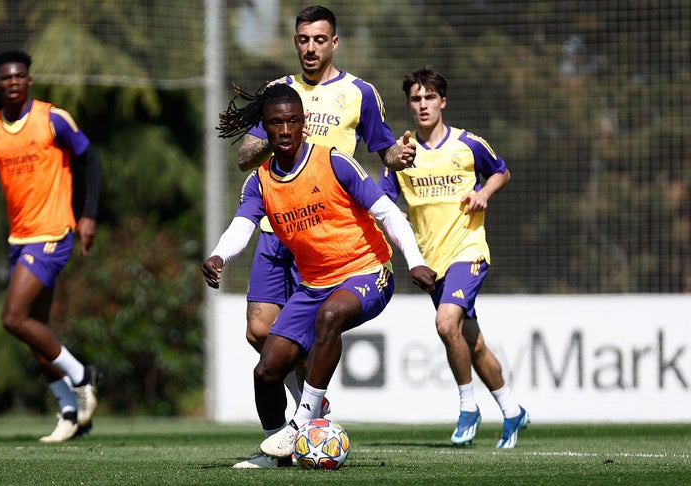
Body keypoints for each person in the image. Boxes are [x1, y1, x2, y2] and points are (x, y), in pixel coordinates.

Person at [207, 83, 436, 468]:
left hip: (367, 270)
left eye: (292, 122)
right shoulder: (260, 181)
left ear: (304, 124)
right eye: (275, 123)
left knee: (330, 316)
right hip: (314, 284)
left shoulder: (333, 162)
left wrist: (413, 259)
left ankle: (302, 422)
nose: (284, 130)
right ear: (264, 127)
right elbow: (242, 226)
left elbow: (387, 212)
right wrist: (218, 255)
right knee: (266, 371)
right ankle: (274, 453)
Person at [228, 5, 415, 421]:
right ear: (295, 42)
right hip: (277, 225)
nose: (310, 48)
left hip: (326, 228)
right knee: (258, 331)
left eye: (319, 39)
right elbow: (244, 156)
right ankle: (311, 402)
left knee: (313, 326)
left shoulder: (359, 93)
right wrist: (282, 134)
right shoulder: (279, 91)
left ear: (334, 42)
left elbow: (383, 147)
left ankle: (307, 413)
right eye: (303, 39)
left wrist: (398, 156)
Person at [0, 50, 101, 443]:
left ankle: (82, 376)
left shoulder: (52, 118)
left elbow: (92, 159)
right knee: (36, 331)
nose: (13, 82)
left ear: (29, 81)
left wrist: (89, 215)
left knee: (13, 318)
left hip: (52, 233)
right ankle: (70, 412)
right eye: (6, 78)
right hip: (19, 238)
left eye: (20, 76)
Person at [378, 66, 529, 449]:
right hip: (432, 263)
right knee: (472, 343)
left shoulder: (468, 144)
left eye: (430, 97)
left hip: (469, 251)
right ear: (410, 105)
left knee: (446, 324)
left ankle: (467, 407)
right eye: (416, 98)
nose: (424, 104)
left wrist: (484, 195)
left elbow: (501, 172)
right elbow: (382, 206)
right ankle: (512, 411)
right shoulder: (401, 156)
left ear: (443, 102)